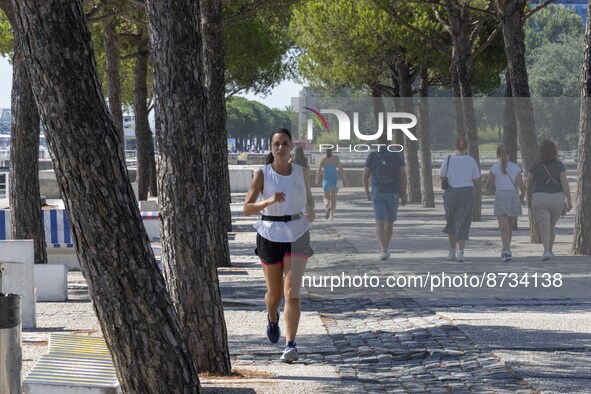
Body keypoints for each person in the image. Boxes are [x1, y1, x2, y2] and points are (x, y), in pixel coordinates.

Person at [242, 128, 315, 363]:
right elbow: (246, 209)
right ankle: (272, 316)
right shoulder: (262, 174)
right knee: (274, 295)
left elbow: (310, 199)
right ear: (271, 148)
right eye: (276, 144)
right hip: (270, 234)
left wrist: (311, 210)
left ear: (291, 146)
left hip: (297, 233)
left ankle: (290, 344)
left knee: (292, 292)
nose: (281, 148)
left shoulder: (302, 172)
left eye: (285, 144)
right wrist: (269, 201)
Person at [526, 140, 572, 260]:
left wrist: (528, 197)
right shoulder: (559, 165)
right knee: (552, 226)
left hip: (539, 197)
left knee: (544, 225)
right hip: (557, 198)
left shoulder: (535, 166)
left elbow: (529, 183)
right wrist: (570, 200)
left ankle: (546, 251)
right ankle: (550, 250)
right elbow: (564, 183)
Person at [362, 137, 407, 260]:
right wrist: (404, 193)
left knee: (379, 222)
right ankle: (386, 247)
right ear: (389, 142)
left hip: (377, 191)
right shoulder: (396, 155)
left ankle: (383, 249)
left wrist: (367, 192)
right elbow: (403, 175)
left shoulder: (372, 155)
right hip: (393, 191)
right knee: (389, 222)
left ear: (377, 142)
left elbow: (365, 176)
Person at [439, 137, 480, 262]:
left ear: (455, 147)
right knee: (464, 221)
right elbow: (476, 178)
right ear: (467, 147)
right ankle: (460, 252)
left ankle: (451, 251)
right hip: (466, 192)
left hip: (451, 192)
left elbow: (442, 175)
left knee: (451, 220)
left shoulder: (449, 159)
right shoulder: (471, 160)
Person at [484, 145, 526, 262]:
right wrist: (522, 197)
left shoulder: (494, 168)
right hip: (513, 196)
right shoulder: (515, 168)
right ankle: (506, 249)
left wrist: (486, 189)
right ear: (509, 155)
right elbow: (522, 187)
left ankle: (506, 251)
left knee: (503, 228)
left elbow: (488, 185)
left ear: (497, 155)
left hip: (501, 196)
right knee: (509, 227)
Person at [315, 148, 347, 220]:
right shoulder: (336, 158)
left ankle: (327, 206)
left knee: (326, 197)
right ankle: (331, 215)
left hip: (326, 180)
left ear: (325, 152)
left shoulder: (323, 159)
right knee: (334, 199)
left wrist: (317, 180)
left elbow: (319, 171)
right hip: (335, 179)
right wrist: (345, 180)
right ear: (332, 151)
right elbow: (341, 169)